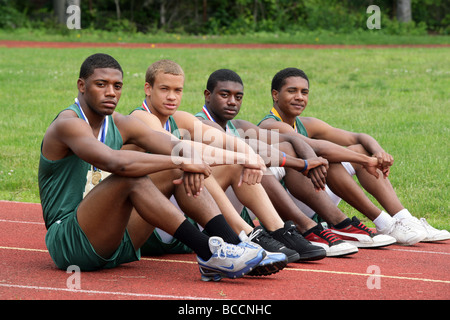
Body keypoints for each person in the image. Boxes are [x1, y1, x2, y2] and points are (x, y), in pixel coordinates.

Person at [38, 53, 266, 282]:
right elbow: (115, 163)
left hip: (119, 240)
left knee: (175, 169)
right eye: (101, 84)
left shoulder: (120, 123)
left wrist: (199, 161)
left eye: (117, 86)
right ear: (81, 86)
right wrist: (180, 160)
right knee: (130, 176)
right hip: (70, 243)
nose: (111, 93)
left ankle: (235, 245)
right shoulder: (68, 125)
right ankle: (208, 251)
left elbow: (174, 146)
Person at [128, 59, 329, 265]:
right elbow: (180, 149)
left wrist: (249, 158)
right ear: (148, 89)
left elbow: (228, 141)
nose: (172, 96)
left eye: (177, 90)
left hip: (176, 225)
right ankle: (242, 238)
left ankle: (276, 230)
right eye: (164, 89)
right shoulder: (140, 117)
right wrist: (244, 157)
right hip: (140, 226)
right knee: (192, 164)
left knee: (232, 165)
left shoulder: (180, 118)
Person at [196, 69, 400, 254]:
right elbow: (259, 151)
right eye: (225, 95)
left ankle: (392, 220)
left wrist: (311, 158)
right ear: (208, 95)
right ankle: (314, 227)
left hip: (261, 199)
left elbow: (294, 138)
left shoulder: (239, 125)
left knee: (315, 156)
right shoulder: (200, 124)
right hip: (208, 204)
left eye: (238, 97)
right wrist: (303, 163)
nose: (232, 102)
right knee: (259, 161)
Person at [258, 67, 450, 244]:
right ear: (275, 95)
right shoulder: (269, 126)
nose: (299, 97)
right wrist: (367, 161)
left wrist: (378, 152)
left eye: (304, 92)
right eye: (292, 91)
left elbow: (358, 136)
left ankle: (405, 219)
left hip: (315, 195)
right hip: (289, 205)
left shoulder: (307, 123)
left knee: (359, 149)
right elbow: (317, 147)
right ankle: (386, 224)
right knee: (330, 158)